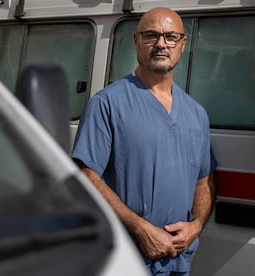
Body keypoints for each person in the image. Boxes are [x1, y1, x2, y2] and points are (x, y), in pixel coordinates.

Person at [71, 7, 216, 275]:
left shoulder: (196, 113)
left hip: (178, 261)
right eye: (151, 36)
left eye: (171, 37)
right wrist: (141, 229)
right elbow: (86, 176)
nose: (161, 44)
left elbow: (203, 181)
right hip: (127, 259)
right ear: (137, 41)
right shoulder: (107, 104)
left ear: (182, 45)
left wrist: (195, 227)